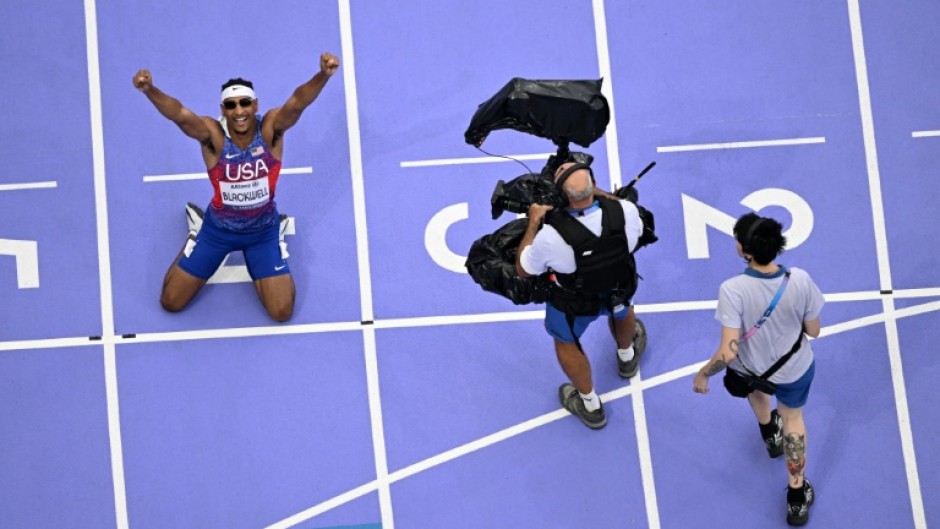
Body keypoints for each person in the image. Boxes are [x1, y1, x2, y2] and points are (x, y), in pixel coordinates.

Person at [132, 52, 340, 322]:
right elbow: (180, 115)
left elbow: (297, 104)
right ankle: (196, 234)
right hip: (218, 231)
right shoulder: (213, 137)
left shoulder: (270, 130)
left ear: (255, 105)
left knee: (282, 312)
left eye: (244, 103)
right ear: (223, 110)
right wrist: (150, 90)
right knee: (170, 302)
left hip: (262, 232)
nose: (238, 111)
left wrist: (323, 75)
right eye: (231, 105)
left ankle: (270, 246)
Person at [692, 213, 824, 526]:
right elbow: (814, 330)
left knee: (755, 389)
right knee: (794, 419)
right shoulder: (800, 279)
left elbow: (728, 351)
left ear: (745, 251)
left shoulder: (732, 289)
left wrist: (704, 374)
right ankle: (796, 497)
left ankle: (769, 433)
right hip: (794, 369)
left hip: (751, 370)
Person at [516, 161, 650, 430]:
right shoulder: (626, 211)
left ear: (562, 196)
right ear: (593, 187)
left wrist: (532, 224)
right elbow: (633, 238)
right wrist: (598, 194)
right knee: (623, 311)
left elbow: (523, 269)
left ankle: (590, 405)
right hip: (618, 288)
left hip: (574, 303)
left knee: (565, 342)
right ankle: (626, 357)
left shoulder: (551, 237)